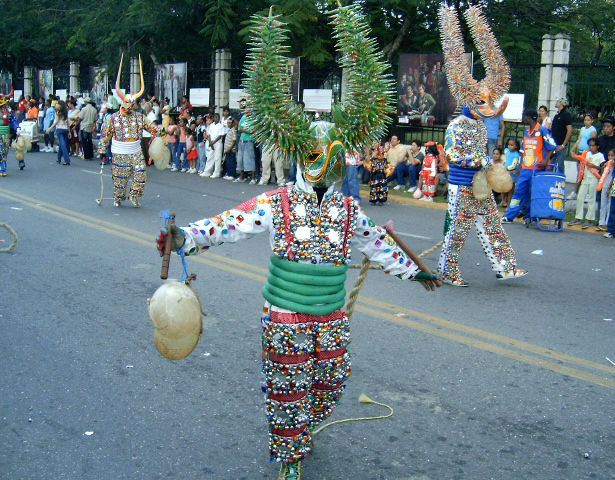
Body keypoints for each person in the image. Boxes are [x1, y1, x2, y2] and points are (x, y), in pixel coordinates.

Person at [156, 7, 438, 479]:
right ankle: (289, 456)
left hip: (331, 317)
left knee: (331, 382)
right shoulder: (279, 202)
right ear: (298, 154)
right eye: (313, 154)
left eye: (331, 156)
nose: (322, 163)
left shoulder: (349, 210)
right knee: (289, 388)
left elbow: (376, 244)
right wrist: (184, 237)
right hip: (285, 317)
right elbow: (230, 223)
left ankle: (302, 429)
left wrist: (415, 272)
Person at [438, 5, 527, 287]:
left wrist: (487, 163)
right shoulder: (457, 126)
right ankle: (448, 271)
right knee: (458, 231)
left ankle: (507, 267)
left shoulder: (478, 125)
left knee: (492, 224)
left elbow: (480, 154)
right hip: (463, 185)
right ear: (468, 103)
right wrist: (478, 159)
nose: (487, 107)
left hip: (481, 184)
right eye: (481, 103)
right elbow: (452, 154)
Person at [101, 54, 158, 207]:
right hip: (120, 151)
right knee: (121, 178)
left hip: (136, 151)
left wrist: (161, 132)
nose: (129, 107)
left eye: (132, 105)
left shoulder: (140, 117)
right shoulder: (113, 118)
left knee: (140, 175)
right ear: (122, 104)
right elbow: (106, 134)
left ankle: (134, 196)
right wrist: (102, 149)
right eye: (127, 104)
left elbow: (152, 128)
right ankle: (118, 197)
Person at [502, 108, 556, 224]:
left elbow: (552, 146)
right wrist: (521, 166)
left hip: (538, 169)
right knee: (519, 193)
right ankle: (510, 216)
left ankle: (530, 217)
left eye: (525, 116)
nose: (523, 118)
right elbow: (523, 151)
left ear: (530, 118)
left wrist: (546, 160)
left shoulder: (542, 130)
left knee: (534, 193)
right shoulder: (527, 132)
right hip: (526, 169)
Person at [568, 138, 605, 229]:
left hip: (594, 179)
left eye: (593, 146)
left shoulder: (600, 156)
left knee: (591, 199)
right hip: (585, 178)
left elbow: (603, 167)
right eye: (590, 146)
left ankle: (589, 219)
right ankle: (578, 217)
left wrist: (595, 166)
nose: (591, 147)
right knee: (580, 197)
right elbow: (577, 157)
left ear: (597, 146)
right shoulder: (587, 154)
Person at [568, 112, 598, 200]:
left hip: (587, 154)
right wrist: (573, 149)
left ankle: (588, 194)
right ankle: (575, 192)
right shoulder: (582, 129)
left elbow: (593, 143)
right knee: (579, 173)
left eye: (588, 120)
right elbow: (579, 139)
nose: (586, 122)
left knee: (586, 174)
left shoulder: (593, 130)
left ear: (592, 121)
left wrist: (589, 153)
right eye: (585, 120)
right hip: (580, 153)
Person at [0, 88, 22, 176]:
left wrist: (17, 128)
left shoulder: (8, 110)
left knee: (5, 151)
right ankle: (2, 168)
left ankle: (3, 168)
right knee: (0, 151)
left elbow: (13, 120)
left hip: (6, 133)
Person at [596, 149, 615, 232]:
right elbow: (602, 175)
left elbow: (614, 177)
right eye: (609, 155)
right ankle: (601, 222)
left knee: (609, 205)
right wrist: (603, 168)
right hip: (604, 185)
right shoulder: (606, 164)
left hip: (611, 187)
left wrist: (609, 188)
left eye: (612, 156)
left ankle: (607, 223)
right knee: (603, 205)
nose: (610, 157)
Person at [235, 100, 256, 184]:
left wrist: (244, 130)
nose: (247, 111)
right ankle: (242, 177)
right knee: (240, 159)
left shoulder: (253, 119)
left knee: (250, 159)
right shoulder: (243, 118)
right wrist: (244, 130)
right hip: (242, 140)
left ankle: (253, 178)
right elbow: (239, 129)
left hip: (249, 141)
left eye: (249, 109)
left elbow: (252, 131)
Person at [550, 98, 572, 174]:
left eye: (558, 101)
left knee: (560, 164)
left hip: (561, 145)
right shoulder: (557, 115)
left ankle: (561, 181)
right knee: (551, 164)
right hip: (554, 145)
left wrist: (563, 144)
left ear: (561, 103)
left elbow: (569, 130)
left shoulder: (566, 115)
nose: (556, 102)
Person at [46, 100, 72, 166]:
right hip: (65, 129)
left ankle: (67, 160)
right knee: (62, 144)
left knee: (62, 145)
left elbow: (56, 122)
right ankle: (59, 158)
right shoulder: (66, 112)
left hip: (60, 129)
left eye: (57, 104)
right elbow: (68, 122)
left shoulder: (58, 112)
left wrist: (50, 128)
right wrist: (69, 131)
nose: (56, 105)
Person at [201, 113, 224, 178]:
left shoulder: (221, 125)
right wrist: (210, 142)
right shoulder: (211, 125)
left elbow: (220, 135)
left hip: (218, 143)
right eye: (215, 117)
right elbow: (209, 134)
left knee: (217, 158)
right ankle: (207, 172)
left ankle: (216, 172)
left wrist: (213, 142)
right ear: (213, 118)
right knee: (210, 157)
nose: (217, 118)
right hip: (211, 142)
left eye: (218, 117)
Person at [503, 138, 521, 208]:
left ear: (516, 146)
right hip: (505, 171)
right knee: (504, 187)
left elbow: (514, 165)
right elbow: (505, 154)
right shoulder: (507, 151)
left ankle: (509, 203)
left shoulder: (516, 155)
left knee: (511, 188)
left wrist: (506, 168)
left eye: (511, 145)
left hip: (511, 172)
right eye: (509, 145)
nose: (509, 146)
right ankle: (504, 200)